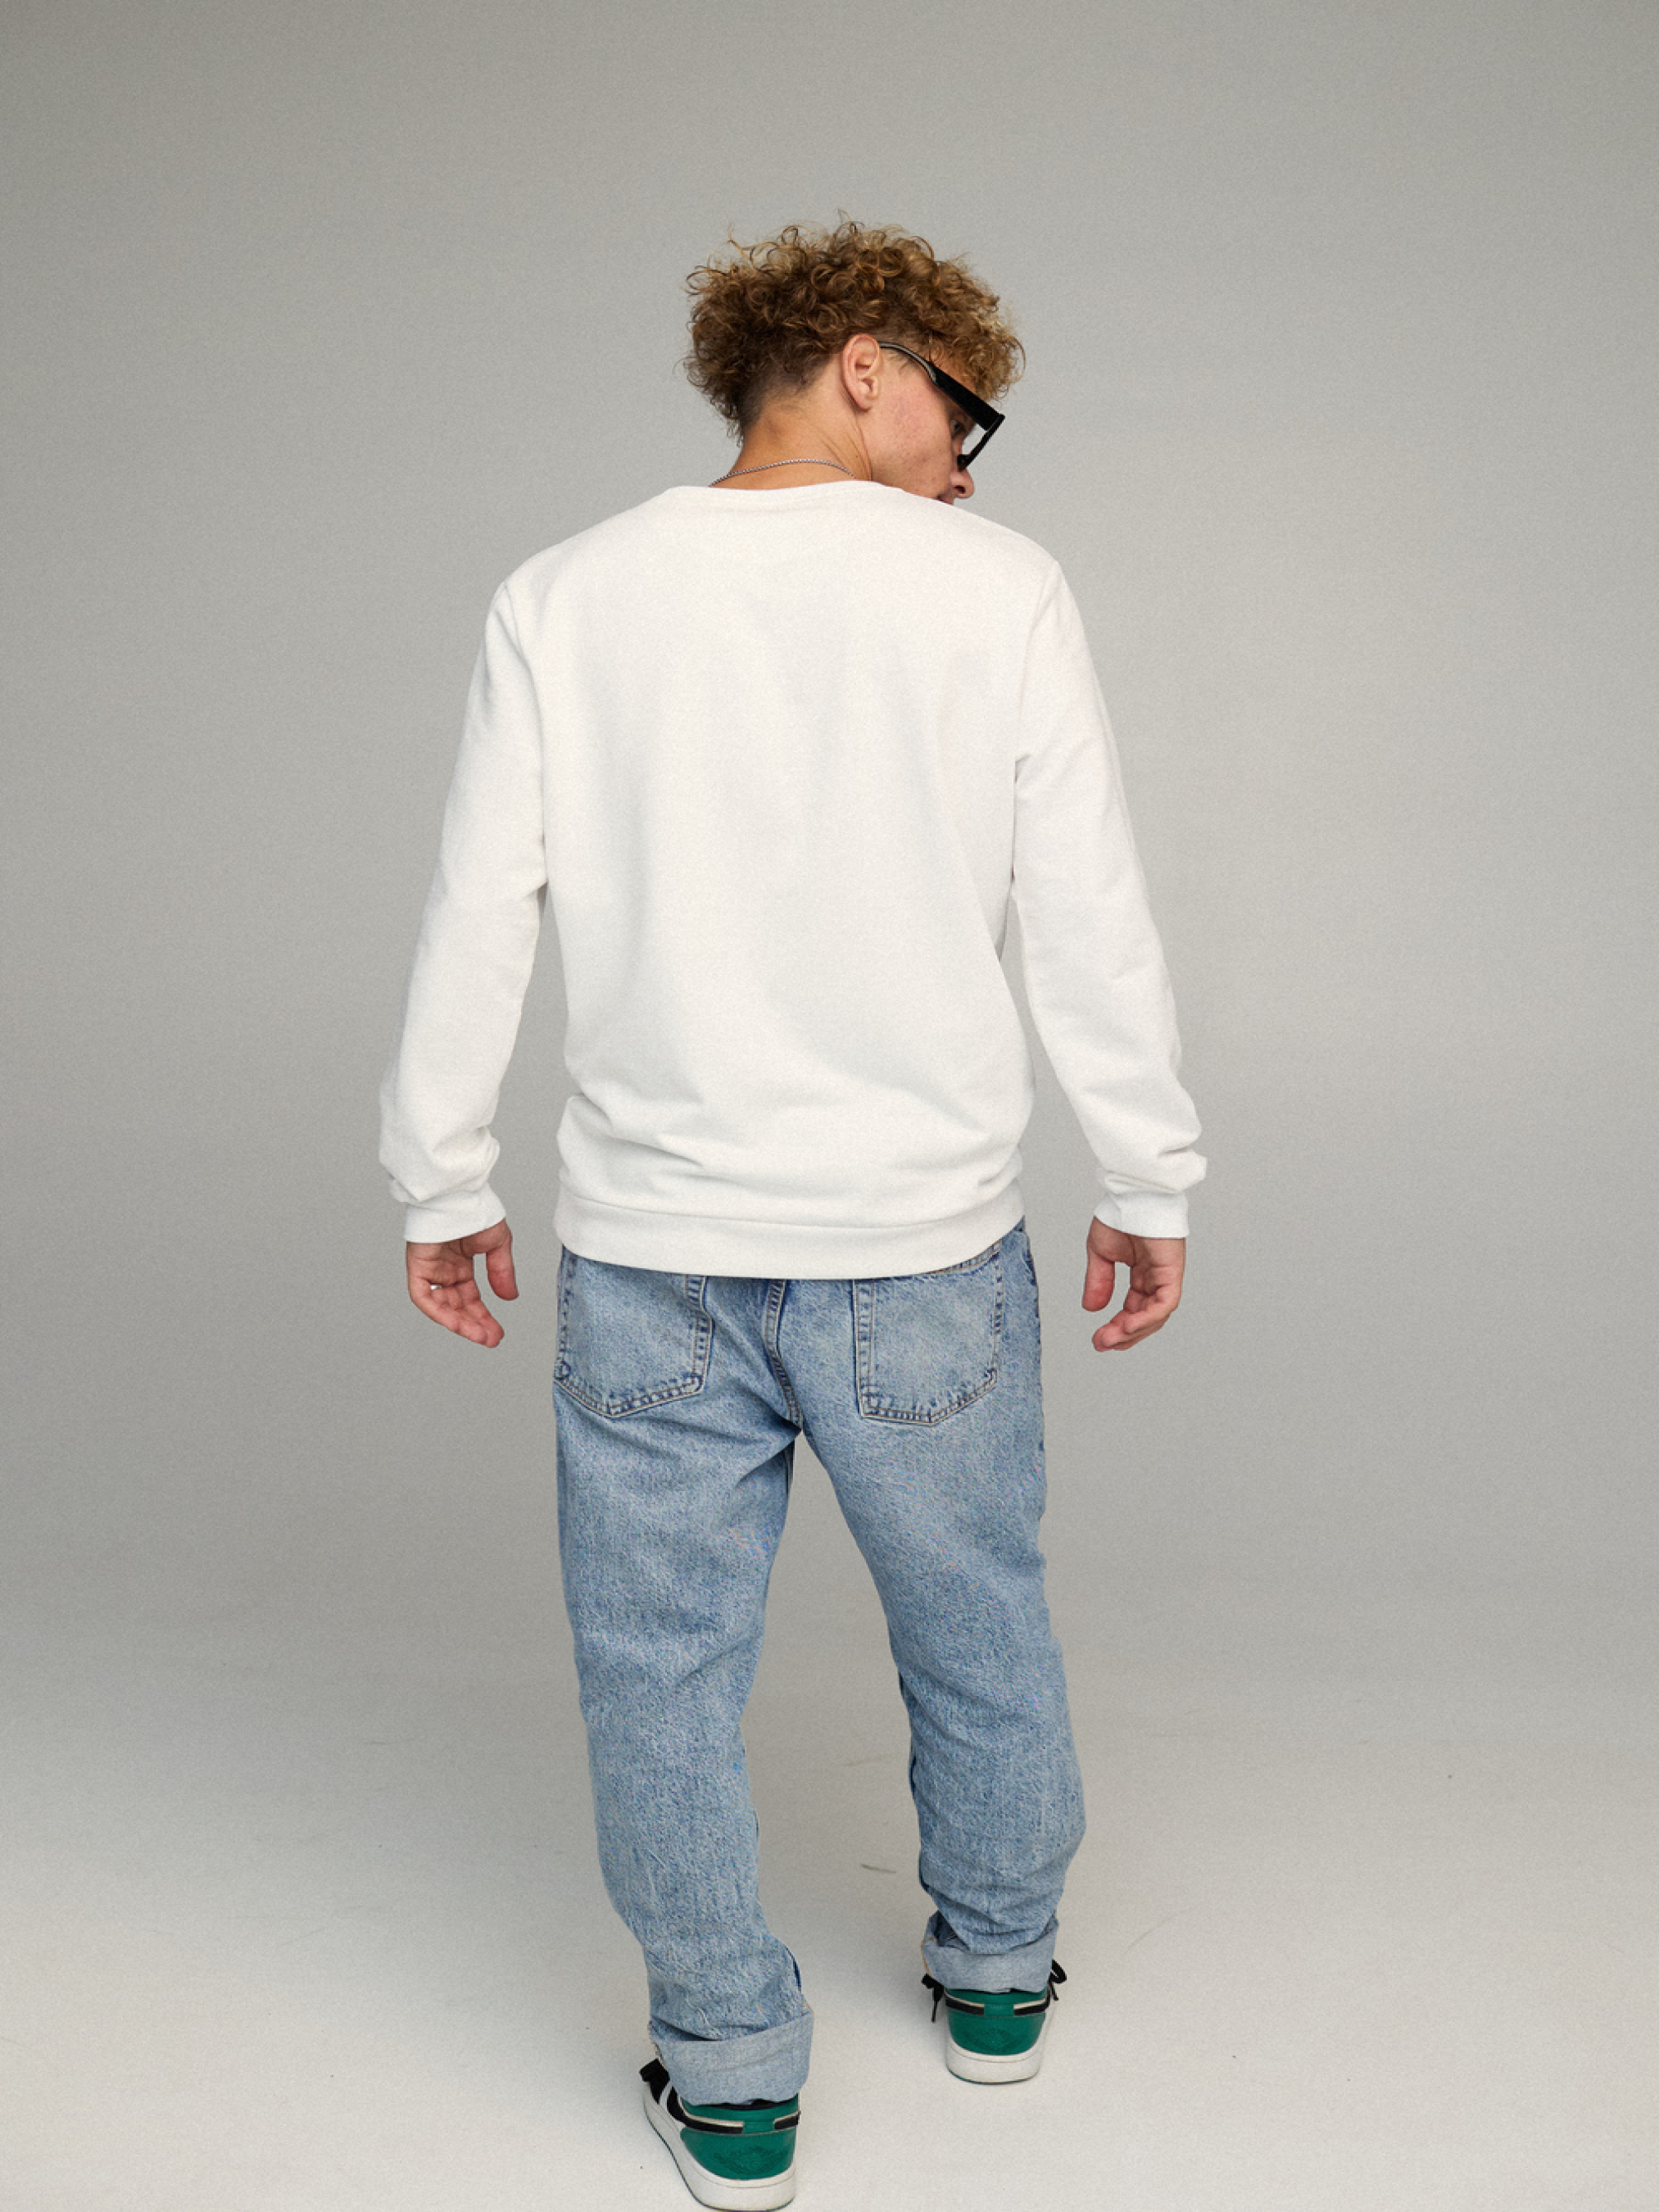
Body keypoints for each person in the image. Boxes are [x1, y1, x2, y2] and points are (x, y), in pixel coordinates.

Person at [378, 216, 1205, 2210]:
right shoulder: (999, 594)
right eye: (958, 412)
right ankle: (995, 1979)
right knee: (975, 1621)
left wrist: (440, 1172)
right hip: (921, 1249)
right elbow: (1083, 910)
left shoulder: (566, 595)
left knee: (653, 1672)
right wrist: (1146, 1167)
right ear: (859, 362)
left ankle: (731, 2075)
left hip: (653, 1256)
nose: (968, 463)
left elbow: (482, 904)